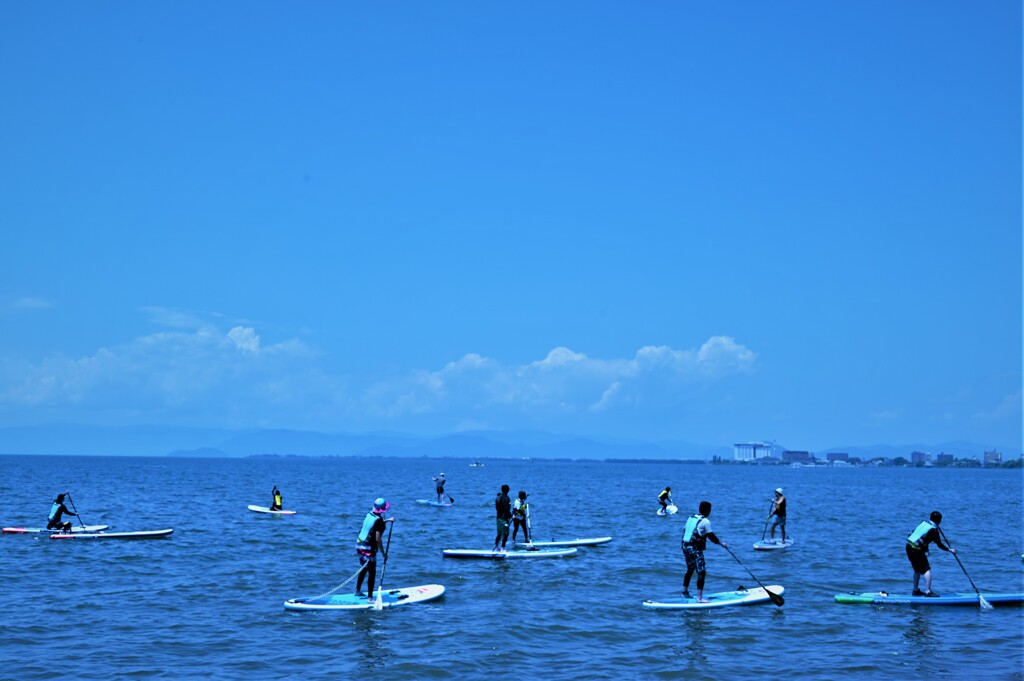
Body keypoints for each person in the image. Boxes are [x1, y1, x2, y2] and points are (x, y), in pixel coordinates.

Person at [681, 500, 727, 603]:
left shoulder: (691, 518)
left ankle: (684, 592)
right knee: (701, 571)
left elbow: (688, 531)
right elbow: (711, 536)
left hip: (684, 546)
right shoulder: (705, 521)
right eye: (710, 510)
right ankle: (700, 598)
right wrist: (721, 543)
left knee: (690, 569)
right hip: (694, 548)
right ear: (707, 510)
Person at [355, 497, 396, 601]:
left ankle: (357, 591)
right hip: (368, 548)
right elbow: (378, 539)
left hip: (359, 546)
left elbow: (375, 525)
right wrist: (383, 554)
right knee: (372, 572)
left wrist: (387, 520)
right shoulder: (379, 521)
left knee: (364, 568)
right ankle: (370, 598)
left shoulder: (369, 515)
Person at [906, 511, 955, 596]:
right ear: (939, 520)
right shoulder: (934, 530)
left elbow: (917, 533)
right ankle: (928, 591)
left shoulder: (924, 522)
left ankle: (915, 590)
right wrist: (949, 550)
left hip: (908, 547)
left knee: (917, 570)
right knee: (926, 570)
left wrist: (925, 546)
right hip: (916, 550)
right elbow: (939, 544)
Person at [493, 484, 512, 552]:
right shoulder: (506, 498)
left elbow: (498, 508)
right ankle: (503, 548)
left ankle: (496, 547)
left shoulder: (498, 497)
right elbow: (506, 509)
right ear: (506, 490)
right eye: (508, 489)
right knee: (506, 533)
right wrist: (510, 515)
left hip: (498, 518)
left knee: (499, 533)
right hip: (504, 518)